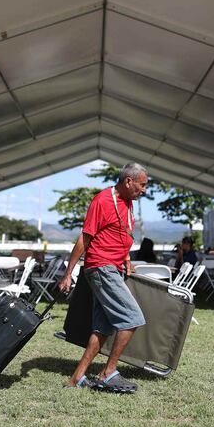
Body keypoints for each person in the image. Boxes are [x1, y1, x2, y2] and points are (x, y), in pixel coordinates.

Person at [59, 162, 148, 393]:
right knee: (133, 317)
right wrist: (68, 273)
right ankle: (108, 372)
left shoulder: (128, 203)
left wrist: (126, 258)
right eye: (142, 185)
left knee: (103, 328)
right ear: (128, 181)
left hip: (112, 267)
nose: (144, 190)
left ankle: (77, 378)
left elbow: (118, 233)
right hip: (101, 267)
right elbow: (85, 237)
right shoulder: (103, 200)